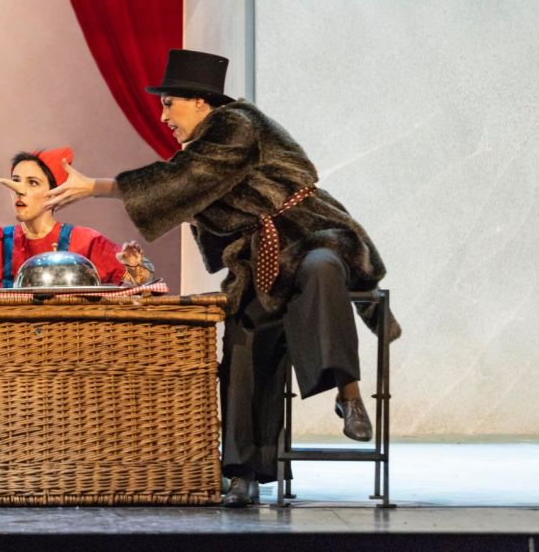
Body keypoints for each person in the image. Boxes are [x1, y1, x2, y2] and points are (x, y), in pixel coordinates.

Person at [44, 49, 399, 507]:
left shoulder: (236, 124)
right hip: (261, 262)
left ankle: (348, 394)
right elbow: (189, 189)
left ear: (200, 102)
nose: (163, 116)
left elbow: (185, 179)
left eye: (169, 104)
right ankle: (243, 472)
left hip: (311, 234)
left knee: (320, 268)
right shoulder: (203, 149)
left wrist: (94, 186)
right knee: (244, 340)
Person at [0, 147, 153, 287]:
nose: (20, 191)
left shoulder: (85, 241)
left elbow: (144, 280)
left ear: (55, 192)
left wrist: (135, 265)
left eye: (32, 183)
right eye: (16, 181)